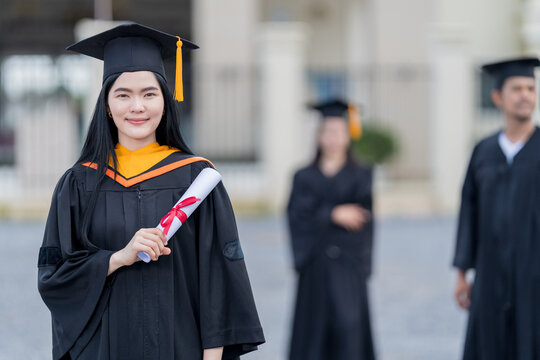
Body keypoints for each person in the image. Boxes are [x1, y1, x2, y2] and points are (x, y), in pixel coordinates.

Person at [37, 23, 264, 360]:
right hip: (103, 350)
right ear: (107, 105)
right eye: (123, 94)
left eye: (149, 93)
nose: (137, 107)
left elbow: (220, 278)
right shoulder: (79, 183)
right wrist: (117, 258)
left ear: (165, 100)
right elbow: (54, 277)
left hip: (180, 348)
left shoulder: (196, 179)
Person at [453, 57, 540, 360]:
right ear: (498, 97)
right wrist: (462, 271)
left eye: (531, 88)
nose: (526, 95)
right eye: (517, 88)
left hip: (534, 274)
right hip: (490, 272)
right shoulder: (484, 151)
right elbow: (469, 209)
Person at [286, 99, 375, 360]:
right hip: (315, 267)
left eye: (338, 132)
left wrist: (362, 264)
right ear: (318, 136)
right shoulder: (303, 177)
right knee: (313, 336)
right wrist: (333, 214)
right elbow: (297, 218)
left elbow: (365, 222)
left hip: (349, 267)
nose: (333, 138)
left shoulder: (361, 175)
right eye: (327, 132)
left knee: (349, 331)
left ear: (348, 136)